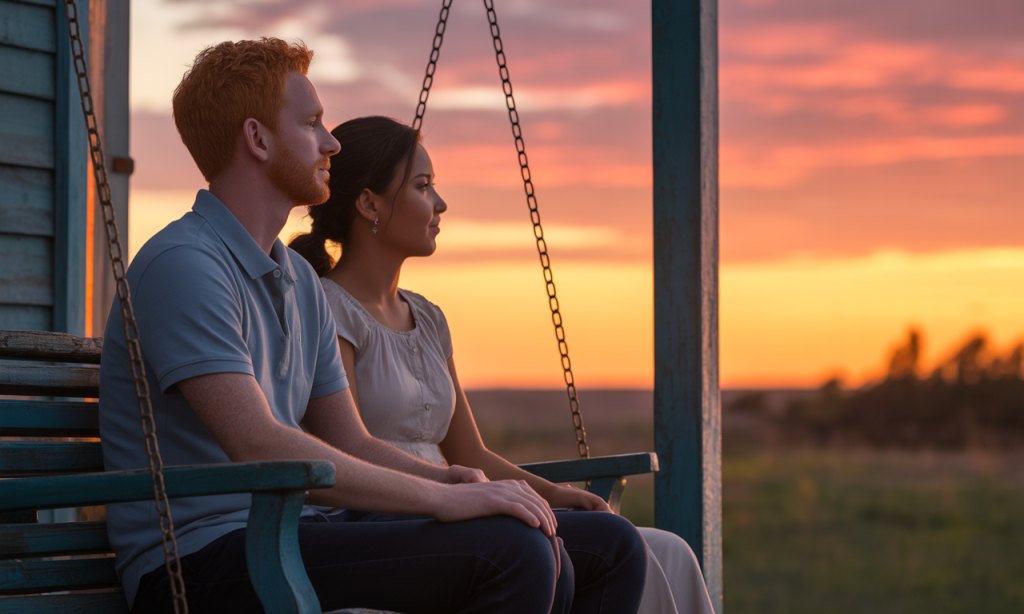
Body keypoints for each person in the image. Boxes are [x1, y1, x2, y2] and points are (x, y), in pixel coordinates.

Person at [99, 39, 646, 614]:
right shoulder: (184, 264)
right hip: (204, 561)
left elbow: (352, 440)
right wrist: (437, 500)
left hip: (295, 532)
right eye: (312, 123)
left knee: (608, 546)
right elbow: (259, 445)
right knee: (511, 552)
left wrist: (456, 482)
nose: (331, 142)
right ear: (257, 139)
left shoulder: (298, 281)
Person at [289, 116, 715, 614]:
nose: (441, 204)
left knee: (617, 538)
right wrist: (452, 493)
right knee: (590, 544)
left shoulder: (427, 317)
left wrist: (555, 493)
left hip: (451, 508)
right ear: (369, 203)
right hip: (383, 514)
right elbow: (350, 449)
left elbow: (470, 452)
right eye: (424, 187)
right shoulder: (329, 309)